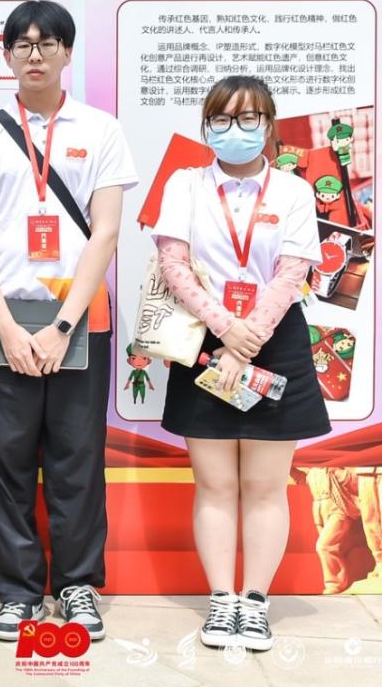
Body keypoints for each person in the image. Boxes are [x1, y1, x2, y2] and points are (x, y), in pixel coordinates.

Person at [0, 0, 137, 643]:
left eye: (48, 42)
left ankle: (78, 585)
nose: (35, 54)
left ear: (67, 52)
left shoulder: (101, 128)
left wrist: (62, 326)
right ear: (6, 54)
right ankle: (18, 592)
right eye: (23, 43)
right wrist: (6, 324)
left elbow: (106, 231)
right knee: (4, 460)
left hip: (78, 322)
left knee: (77, 459)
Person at [151, 75, 330, 651]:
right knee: (215, 483)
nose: (235, 130)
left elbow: (293, 271)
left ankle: (254, 602)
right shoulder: (185, 184)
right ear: (207, 126)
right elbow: (173, 265)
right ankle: (221, 600)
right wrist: (226, 330)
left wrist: (245, 338)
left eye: (249, 119)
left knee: (264, 484)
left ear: (268, 125)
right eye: (222, 119)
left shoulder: (294, 190)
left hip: (274, 338)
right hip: (202, 336)